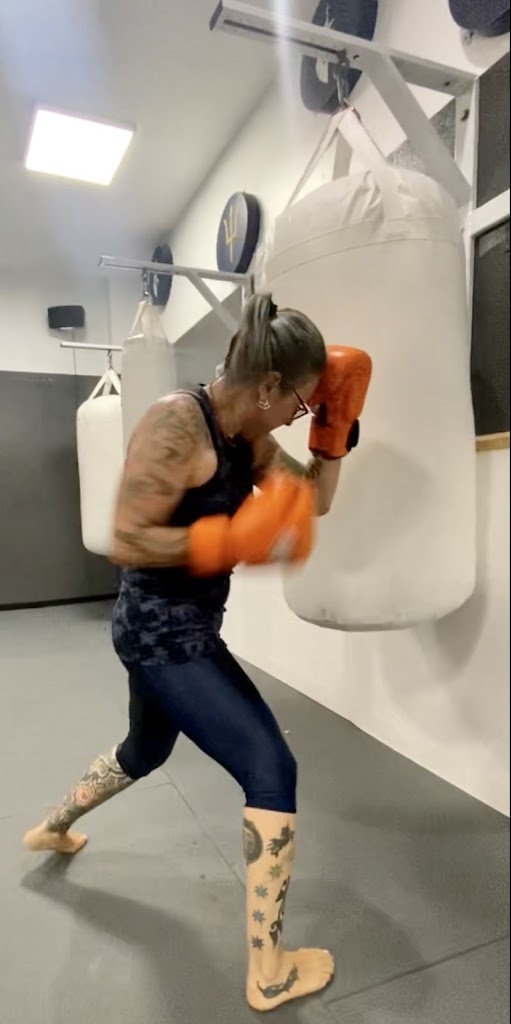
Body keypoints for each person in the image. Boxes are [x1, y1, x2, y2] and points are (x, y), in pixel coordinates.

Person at [24, 293, 371, 1012]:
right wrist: (225, 541)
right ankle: (268, 971)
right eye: (301, 404)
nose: (297, 416)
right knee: (271, 768)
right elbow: (125, 538)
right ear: (269, 385)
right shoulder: (175, 424)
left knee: (143, 751)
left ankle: (51, 828)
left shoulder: (251, 441)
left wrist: (333, 435)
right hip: (159, 635)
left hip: (187, 630)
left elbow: (315, 501)